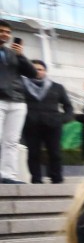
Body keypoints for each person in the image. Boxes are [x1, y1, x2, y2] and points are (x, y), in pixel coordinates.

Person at [22, 60, 73, 184]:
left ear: (45, 71)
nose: (37, 71)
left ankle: (56, 178)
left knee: (55, 153)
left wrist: (62, 119)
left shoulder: (57, 87)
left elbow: (68, 106)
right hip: (31, 125)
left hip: (53, 125)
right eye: (34, 69)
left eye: (40, 69)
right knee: (33, 153)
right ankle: (36, 179)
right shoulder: (22, 86)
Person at [0, 23, 33, 183]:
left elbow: (33, 73)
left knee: (12, 141)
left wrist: (21, 56)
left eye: (7, 32)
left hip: (17, 101)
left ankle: (8, 175)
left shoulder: (13, 53)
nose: (5, 34)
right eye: (1, 31)